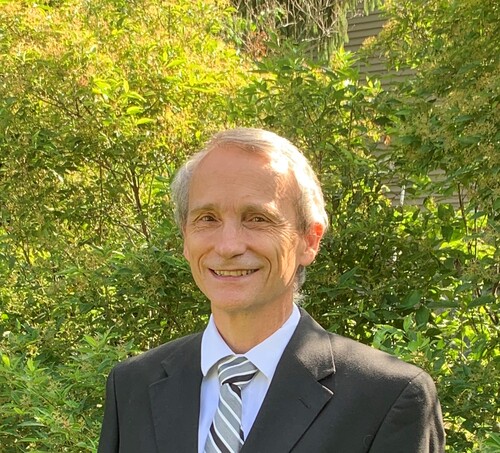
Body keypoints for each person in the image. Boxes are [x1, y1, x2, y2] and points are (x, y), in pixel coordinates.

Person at [98, 128, 445, 453]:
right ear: (185, 239)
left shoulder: (387, 397)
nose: (228, 246)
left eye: (257, 218)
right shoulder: (131, 386)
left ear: (309, 241)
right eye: (207, 218)